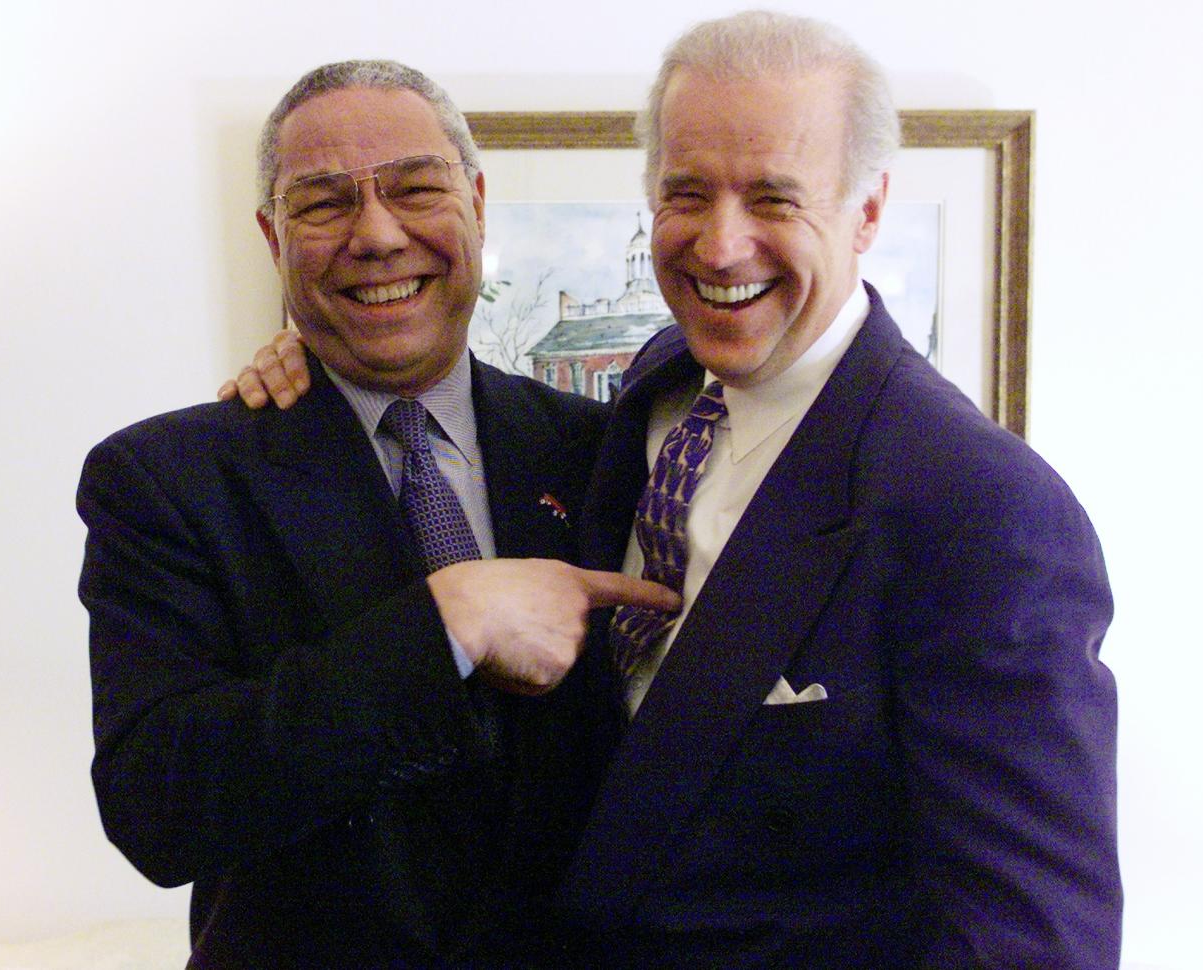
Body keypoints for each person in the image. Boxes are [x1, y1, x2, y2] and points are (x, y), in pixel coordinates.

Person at [231, 13, 1121, 968]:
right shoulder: (650, 393)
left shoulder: (982, 507)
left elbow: (1032, 938)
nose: (721, 245)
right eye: (686, 193)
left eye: (774, 197)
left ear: (867, 211)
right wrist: (316, 364)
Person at [76, 60, 677, 969]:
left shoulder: (601, 450)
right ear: (272, 239)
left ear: (477, 202)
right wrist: (448, 625)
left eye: (417, 189)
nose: (379, 234)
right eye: (323, 204)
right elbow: (157, 808)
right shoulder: (167, 480)